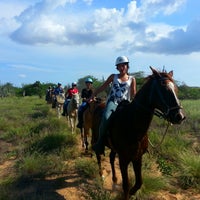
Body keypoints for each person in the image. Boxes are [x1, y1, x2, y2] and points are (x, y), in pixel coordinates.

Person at [92, 56, 137, 155]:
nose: (122, 68)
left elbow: (134, 93)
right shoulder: (113, 76)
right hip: (113, 102)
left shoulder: (132, 79)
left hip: (125, 104)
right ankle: (100, 142)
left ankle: (137, 143)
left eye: (123, 65)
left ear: (127, 66)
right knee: (106, 117)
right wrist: (94, 94)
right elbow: (103, 86)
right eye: (119, 66)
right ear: (117, 68)